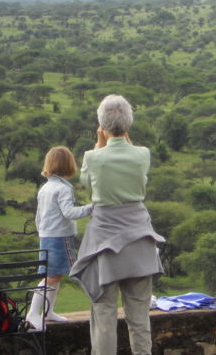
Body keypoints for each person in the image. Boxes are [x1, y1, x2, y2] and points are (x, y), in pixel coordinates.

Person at [70, 94, 165, 355]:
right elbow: (136, 163)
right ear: (129, 123)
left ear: (102, 123)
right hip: (139, 241)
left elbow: (87, 185)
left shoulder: (93, 157)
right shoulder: (142, 154)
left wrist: (101, 145)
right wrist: (121, 138)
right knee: (139, 318)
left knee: (104, 319)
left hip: (105, 243)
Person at [26, 146, 93, 331]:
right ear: (68, 165)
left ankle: (48, 312)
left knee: (54, 276)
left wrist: (44, 232)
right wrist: (91, 207)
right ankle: (33, 313)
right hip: (59, 237)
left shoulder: (45, 188)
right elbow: (70, 213)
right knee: (53, 277)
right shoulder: (63, 189)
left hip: (46, 236)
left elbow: (38, 217)